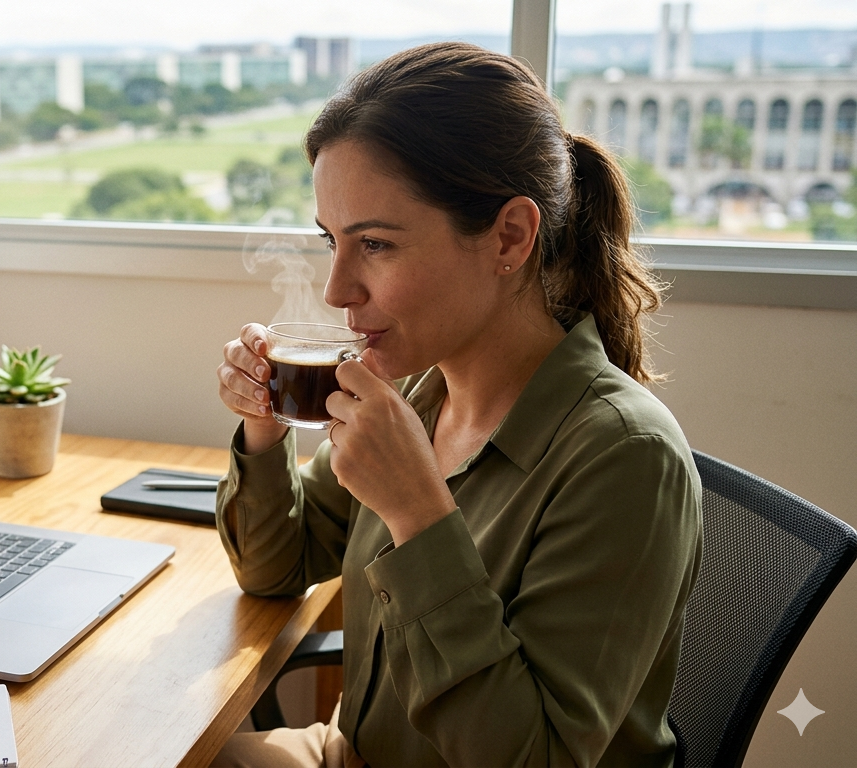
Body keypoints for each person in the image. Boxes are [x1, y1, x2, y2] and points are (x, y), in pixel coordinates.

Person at [212, 42, 702, 768]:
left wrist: (418, 516)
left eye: (374, 244)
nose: (336, 289)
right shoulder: (415, 389)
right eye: (331, 242)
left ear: (509, 236)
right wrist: (261, 426)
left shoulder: (623, 458)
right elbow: (274, 570)